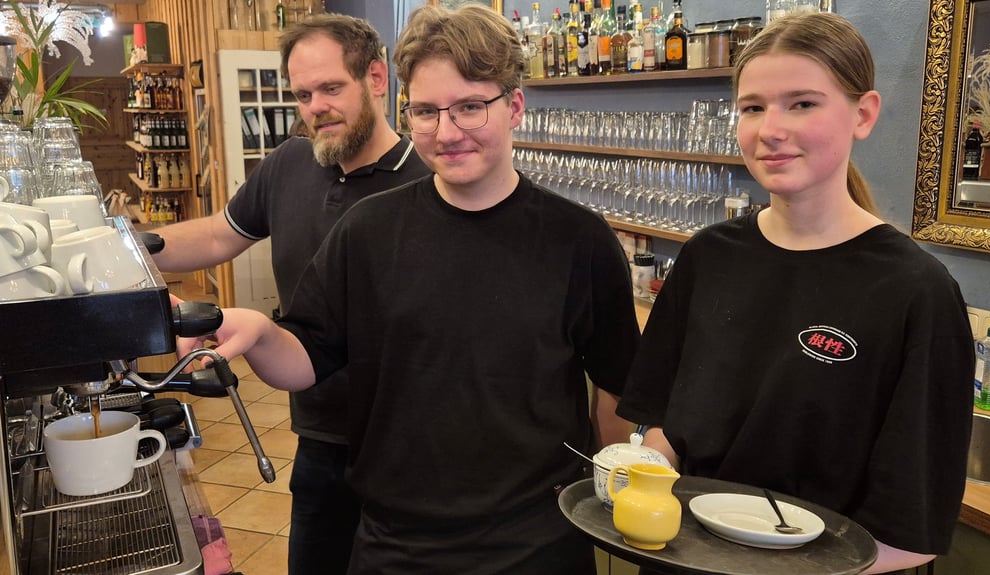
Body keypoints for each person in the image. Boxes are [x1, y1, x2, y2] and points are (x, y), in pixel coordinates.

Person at [177, 4, 640, 573]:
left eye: (470, 107)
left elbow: (617, 389)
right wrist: (259, 331)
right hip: (398, 541)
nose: (446, 133)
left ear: (514, 106)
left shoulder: (580, 240)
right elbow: (309, 355)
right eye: (424, 111)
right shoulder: (368, 230)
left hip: (538, 541)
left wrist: (606, 497)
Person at [615, 12, 974, 575]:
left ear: (864, 114)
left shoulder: (915, 292)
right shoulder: (709, 256)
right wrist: (637, 481)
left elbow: (914, 531)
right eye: (752, 107)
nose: (770, 129)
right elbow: (665, 429)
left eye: (802, 103)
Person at [151, 14, 431, 574]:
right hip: (320, 433)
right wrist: (123, 250)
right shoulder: (290, 163)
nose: (315, 107)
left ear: (377, 78)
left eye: (331, 88)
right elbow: (215, 235)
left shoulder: (427, 181)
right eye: (303, 94)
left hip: (414, 446)